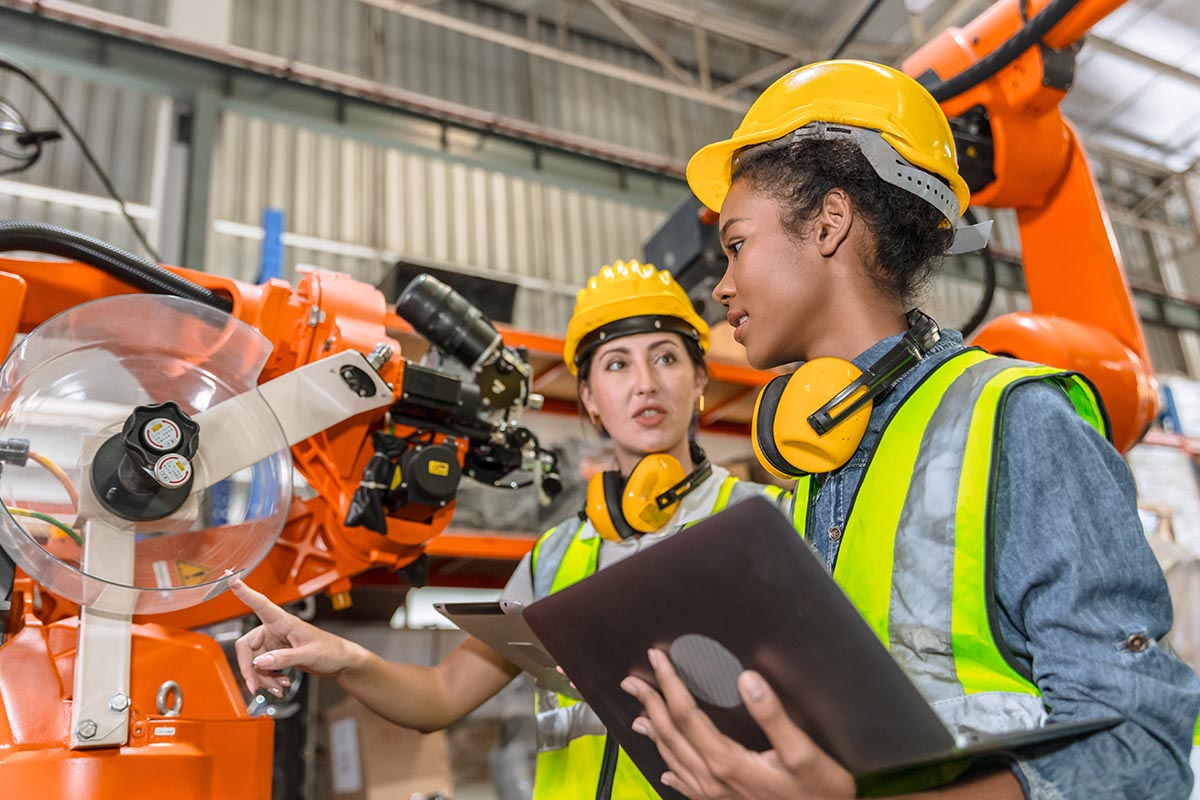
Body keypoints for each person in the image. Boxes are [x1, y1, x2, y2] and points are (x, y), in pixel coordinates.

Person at [619, 60, 1200, 800]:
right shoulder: (814, 465)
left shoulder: (1017, 422)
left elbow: (1143, 750)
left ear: (829, 223)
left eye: (736, 245)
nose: (722, 286)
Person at [229, 259, 783, 799]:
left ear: (700, 380)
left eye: (665, 357)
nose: (645, 384)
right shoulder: (555, 556)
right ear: (588, 398)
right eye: (616, 364)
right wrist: (340, 655)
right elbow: (440, 697)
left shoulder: (767, 520)